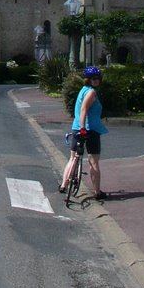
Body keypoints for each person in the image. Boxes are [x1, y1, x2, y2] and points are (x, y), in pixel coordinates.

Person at [60, 66, 109, 200]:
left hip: (77, 127)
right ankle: (97, 192)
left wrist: (79, 127)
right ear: (88, 80)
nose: (96, 81)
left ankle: (64, 185)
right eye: (94, 79)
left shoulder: (82, 90)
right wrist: (83, 128)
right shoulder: (91, 93)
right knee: (94, 162)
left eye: (98, 78)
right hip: (90, 129)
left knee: (73, 157)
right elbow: (83, 110)